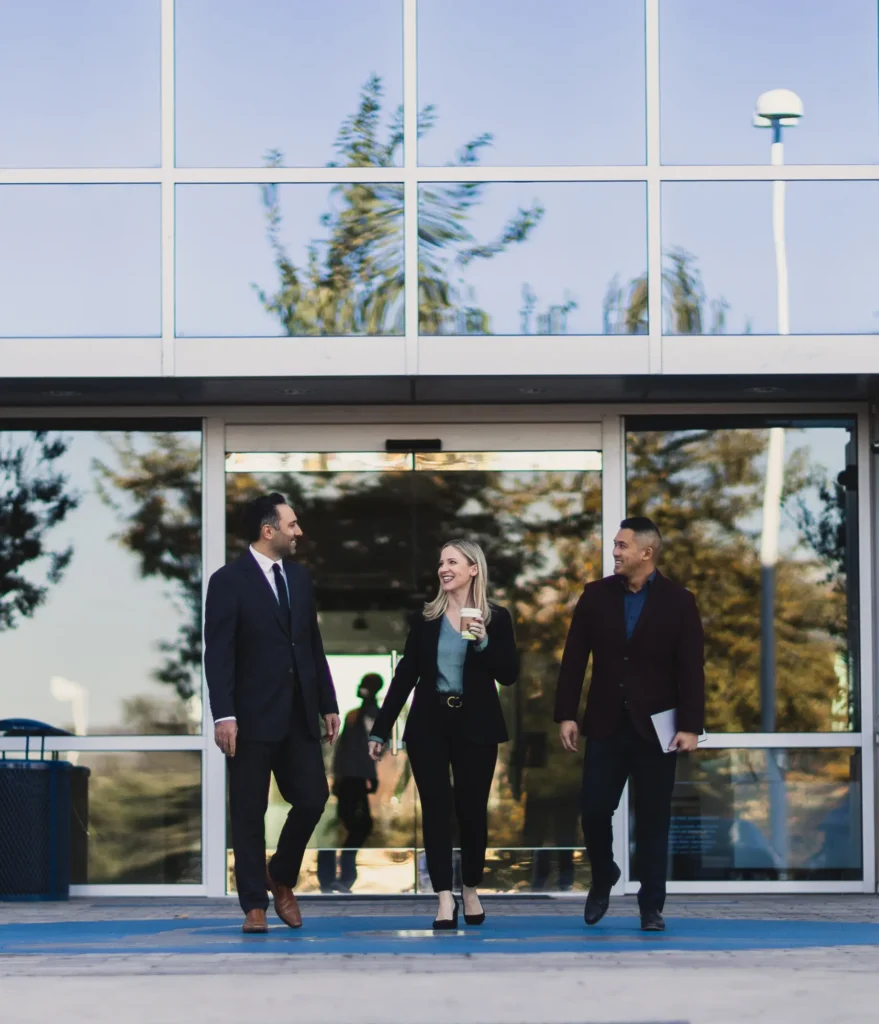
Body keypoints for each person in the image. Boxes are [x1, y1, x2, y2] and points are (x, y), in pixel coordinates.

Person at [554, 517, 704, 932]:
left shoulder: (679, 601)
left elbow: (691, 668)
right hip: (604, 724)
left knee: (654, 819)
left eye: (622, 545)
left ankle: (651, 905)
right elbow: (573, 659)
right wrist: (567, 713)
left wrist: (691, 725)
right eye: (615, 545)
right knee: (594, 808)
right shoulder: (595, 596)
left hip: (657, 729)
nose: (615, 552)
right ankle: (604, 874)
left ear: (646, 552)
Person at [204, 492, 340, 934]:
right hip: (248, 718)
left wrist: (328, 703)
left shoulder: (299, 579)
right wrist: (224, 714)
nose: (298, 531)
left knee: (314, 798)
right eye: (292, 524)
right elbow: (218, 653)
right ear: (269, 531)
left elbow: (311, 647)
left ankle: (280, 876)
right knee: (248, 812)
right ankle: (254, 905)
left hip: (298, 714)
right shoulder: (228, 581)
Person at [368, 540, 518, 929]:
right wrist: (381, 730)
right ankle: (443, 898)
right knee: (436, 811)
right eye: (440, 562)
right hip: (430, 725)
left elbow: (509, 674)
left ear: (473, 569)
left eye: (452, 561)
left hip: (477, 727)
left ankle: (470, 888)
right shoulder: (426, 619)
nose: (443, 568)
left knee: (471, 812)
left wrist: (484, 640)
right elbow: (404, 678)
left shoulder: (497, 618)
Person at [316, 673, 384, 893]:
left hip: (354, 778)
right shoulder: (357, 715)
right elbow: (351, 750)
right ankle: (337, 875)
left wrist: (369, 776)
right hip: (351, 779)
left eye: (364, 686)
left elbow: (365, 748)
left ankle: (338, 875)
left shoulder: (366, 714)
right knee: (349, 826)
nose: (359, 688)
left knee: (353, 826)